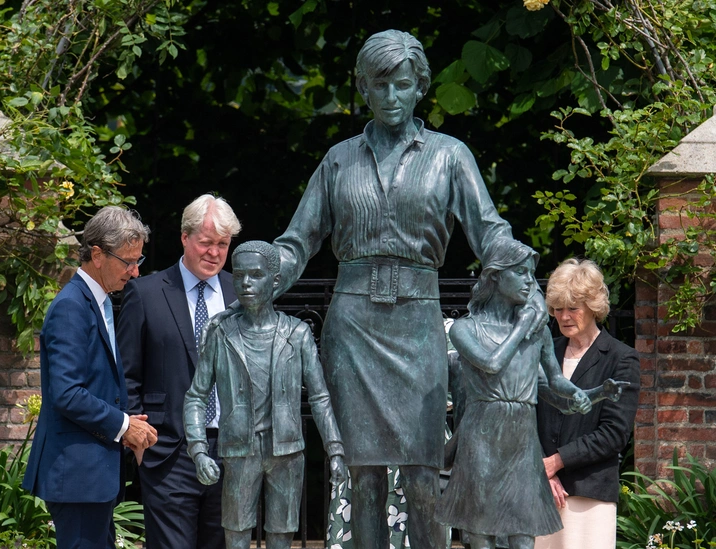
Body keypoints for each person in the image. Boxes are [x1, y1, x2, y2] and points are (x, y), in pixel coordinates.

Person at [270, 29, 548, 549]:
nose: (392, 96)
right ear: (363, 88)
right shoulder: (339, 160)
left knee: (423, 472)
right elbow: (298, 241)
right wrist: (264, 276)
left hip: (419, 322)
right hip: (353, 326)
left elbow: (489, 230)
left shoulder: (450, 156)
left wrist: (523, 278)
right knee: (363, 476)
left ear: (420, 86)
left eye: (402, 84)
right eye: (380, 85)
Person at [184, 241, 347, 549]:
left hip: (287, 451)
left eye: (256, 275)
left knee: (282, 532)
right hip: (239, 450)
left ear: (275, 280)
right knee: (236, 531)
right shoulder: (221, 334)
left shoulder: (297, 334)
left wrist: (335, 450)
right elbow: (196, 396)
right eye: (239, 275)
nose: (246, 283)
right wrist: (199, 450)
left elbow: (319, 397)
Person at [434, 239, 594, 549]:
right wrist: (521, 328)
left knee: (522, 533)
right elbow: (491, 365)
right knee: (481, 534)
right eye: (520, 272)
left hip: (521, 438)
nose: (529, 282)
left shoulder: (537, 331)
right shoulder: (465, 329)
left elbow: (554, 380)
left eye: (531, 274)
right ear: (495, 277)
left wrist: (580, 394)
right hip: (482, 434)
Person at [23, 206, 157, 549]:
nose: (135, 271)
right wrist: (124, 425)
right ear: (97, 255)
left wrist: (125, 425)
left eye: (138, 260)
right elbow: (67, 393)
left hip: (89, 476)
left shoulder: (99, 302)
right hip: (77, 477)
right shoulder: (72, 306)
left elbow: (98, 384)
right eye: (128, 261)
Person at [116, 194, 242, 549]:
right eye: (206, 242)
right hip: (168, 452)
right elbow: (126, 375)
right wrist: (138, 442)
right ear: (185, 237)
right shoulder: (145, 293)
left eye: (222, 244)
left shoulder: (240, 294)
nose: (214, 252)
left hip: (232, 454)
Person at [535, 259, 641, 549]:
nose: (564, 316)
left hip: (589, 495)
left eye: (573, 307)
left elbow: (614, 433)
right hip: (541, 492)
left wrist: (555, 462)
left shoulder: (621, 358)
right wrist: (541, 470)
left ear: (593, 306)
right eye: (558, 308)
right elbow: (526, 417)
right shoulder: (544, 354)